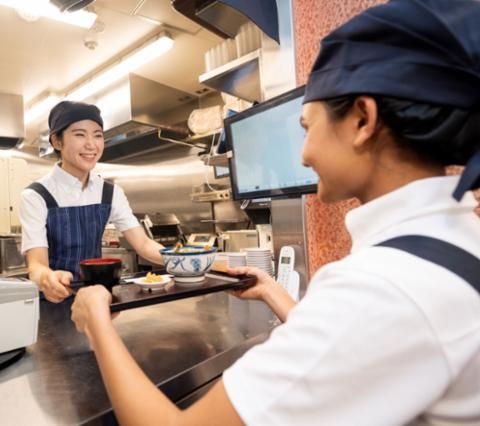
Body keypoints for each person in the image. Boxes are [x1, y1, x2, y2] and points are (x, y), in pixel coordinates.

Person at [69, 0, 480, 424]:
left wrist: (98, 323)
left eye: (307, 128)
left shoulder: (383, 285)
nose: (303, 155)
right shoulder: (450, 239)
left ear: (362, 120)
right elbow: (351, 343)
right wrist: (271, 291)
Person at [20, 101, 164, 303]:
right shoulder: (36, 195)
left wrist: (184, 259)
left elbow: (143, 244)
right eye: (80, 135)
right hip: (52, 300)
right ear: (57, 142)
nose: (91, 144)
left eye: (97, 135)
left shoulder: (109, 192)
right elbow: (36, 265)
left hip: (96, 298)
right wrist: (47, 278)